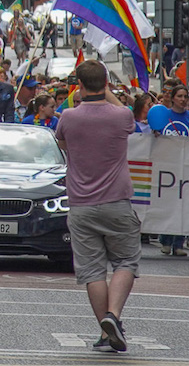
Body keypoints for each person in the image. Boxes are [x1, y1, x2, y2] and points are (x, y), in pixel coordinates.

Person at [55, 58, 139, 353]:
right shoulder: (121, 117)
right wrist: (108, 91)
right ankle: (113, 316)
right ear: (105, 84)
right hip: (116, 201)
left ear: (78, 86)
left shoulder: (68, 116)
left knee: (92, 271)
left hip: (81, 204)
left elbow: (62, 143)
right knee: (126, 262)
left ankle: (105, 331)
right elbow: (123, 111)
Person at [155, 82, 189, 257]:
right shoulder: (163, 115)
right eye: (180, 96)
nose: (183, 100)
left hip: (185, 167)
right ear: (172, 98)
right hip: (166, 167)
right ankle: (165, 240)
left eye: (185, 97)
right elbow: (154, 136)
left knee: (183, 205)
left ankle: (179, 243)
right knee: (168, 205)